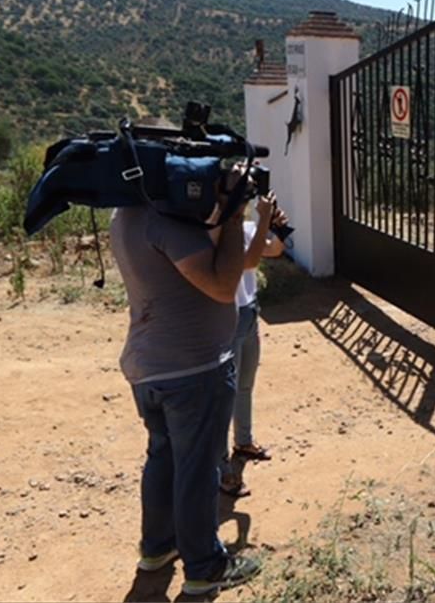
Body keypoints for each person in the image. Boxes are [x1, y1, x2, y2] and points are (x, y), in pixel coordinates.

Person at [109, 164, 263, 597]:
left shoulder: (126, 215)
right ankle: (204, 567)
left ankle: (157, 548)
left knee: (164, 458)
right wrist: (233, 213)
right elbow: (221, 284)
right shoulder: (167, 223)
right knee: (197, 469)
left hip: (148, 365)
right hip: (192, 370)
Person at [219, 193, 287, 497]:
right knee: (223, 394)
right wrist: (263, 221)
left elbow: (274, 250)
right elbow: (251, 260)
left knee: (244, 384)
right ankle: (221, 468)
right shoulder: (215, 231)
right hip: (225, 318)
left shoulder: (246, 229)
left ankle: (243, 442)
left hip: (248, 311)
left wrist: (277, 226)